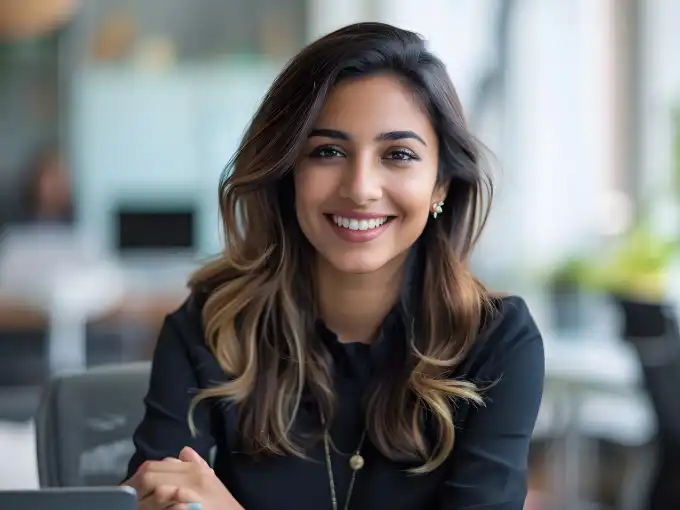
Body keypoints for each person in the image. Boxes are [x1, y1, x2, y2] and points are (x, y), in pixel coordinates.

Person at [123, 22, 544, 510]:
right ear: (288, 172)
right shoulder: (209, 328)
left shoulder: (495, 342)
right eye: (327, 152)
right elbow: (156, 499)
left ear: (441, 186)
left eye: (398, 155)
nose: (361, 187)